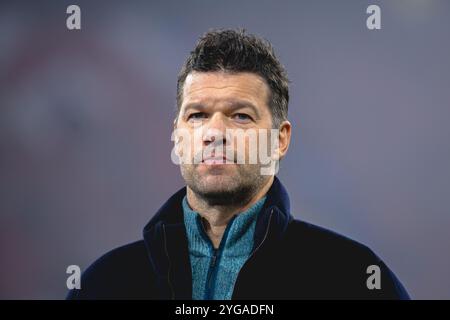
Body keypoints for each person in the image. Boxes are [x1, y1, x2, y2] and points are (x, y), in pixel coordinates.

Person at [67, 29, 409, 300]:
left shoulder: (354, 279)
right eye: (197, 115)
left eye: (240, 116)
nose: (215, 132)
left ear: (280, 140)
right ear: (177, 135)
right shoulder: (103, 285)